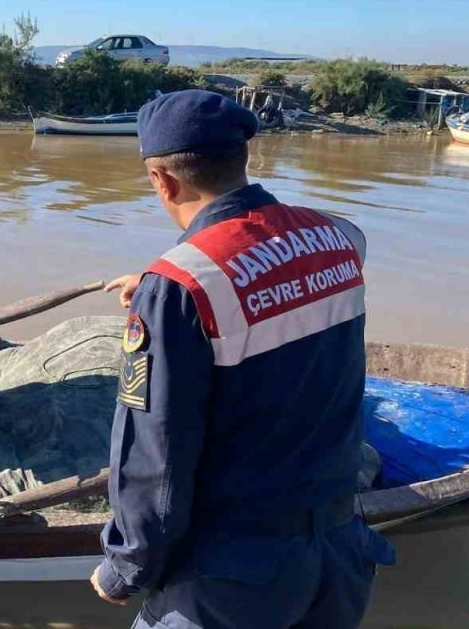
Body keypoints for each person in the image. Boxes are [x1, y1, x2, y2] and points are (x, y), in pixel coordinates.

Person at [91, 90, 395, 628]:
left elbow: (155, 453)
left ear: (162, 180)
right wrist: (164, 286)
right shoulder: (339, 237)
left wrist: (126, 565)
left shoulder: (181, 284)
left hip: (234, 575)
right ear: (243, 157)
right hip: (339, 548)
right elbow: (276, 262)